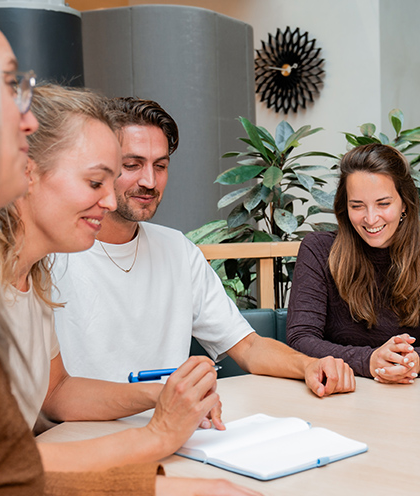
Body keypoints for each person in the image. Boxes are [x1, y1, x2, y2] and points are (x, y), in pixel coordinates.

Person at [0, 2, 283, 496]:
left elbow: (5, 473)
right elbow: (1, 478)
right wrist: (151, 453)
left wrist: (150, 480)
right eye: (98, 180)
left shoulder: (33, 276)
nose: (25, 120)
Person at [51, 97, 355, 397]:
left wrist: (309, 366)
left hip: (176, 428)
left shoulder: (177, 250)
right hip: (83, 434)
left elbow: (247, 345)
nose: (149, 180)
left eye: (160, 166)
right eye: (132, 165)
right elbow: (52, 396)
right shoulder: (53, 256)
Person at [0, 83, 226, 472]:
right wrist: (156, 439)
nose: (108, 200)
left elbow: (57, 390)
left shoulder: (34, 275)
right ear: (26, 173)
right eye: (94, 181)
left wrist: (162, 394)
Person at [286, 143, 420, 383]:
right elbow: (300, 338)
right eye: (357, 206)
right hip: (335, 390)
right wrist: (370, 361)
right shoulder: (318, 250)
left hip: (407, 395)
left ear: (405, 203)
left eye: (383, 204)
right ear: (345, 207)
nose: (370, 218)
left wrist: (415, 361)